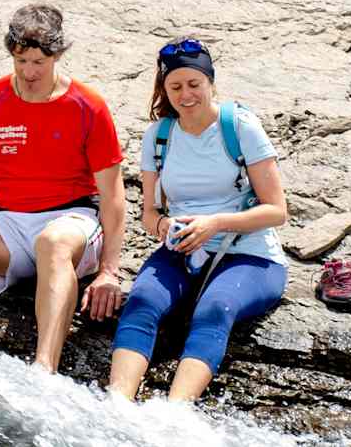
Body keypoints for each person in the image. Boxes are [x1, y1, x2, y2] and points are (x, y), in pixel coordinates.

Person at [0, 4, 127, 372]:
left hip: (74, 219)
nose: (29, 72)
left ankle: (44, 370)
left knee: (54, 242)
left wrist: (110, 270)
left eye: (38, 63)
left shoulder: (88, 106)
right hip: (11, 222)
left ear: (58, 55)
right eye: (20, 61)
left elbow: (112, 196)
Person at [107, 36, 289, 401]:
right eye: (175, 87)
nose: (185, 94)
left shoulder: (239, 127)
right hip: (183, 249)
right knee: (141, 301)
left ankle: (174, 417)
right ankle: (117, 407)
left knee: (214, 308)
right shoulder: (158, 137)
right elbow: (149, 213)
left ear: (210, 83)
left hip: (250, 254)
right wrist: (162, 227)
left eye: (194, 84)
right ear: (164, 89)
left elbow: (277, 211)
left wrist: (215, 224)